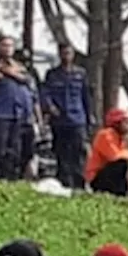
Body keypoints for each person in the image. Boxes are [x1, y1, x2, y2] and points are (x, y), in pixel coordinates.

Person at [0, 37, 32, 180]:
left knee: (14, 149)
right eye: (4, 45)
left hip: (17, 113)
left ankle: (11, 177)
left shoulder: (19, 66)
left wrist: (8, 71)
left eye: (10, 45)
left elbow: (26, 79)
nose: (7, 48)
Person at [42, 43, 92, 188]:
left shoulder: (80, 73)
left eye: (69, 53)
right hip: (59, 120)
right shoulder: (52, 74)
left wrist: (89, 118)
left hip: (77, 119)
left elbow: (86, 97)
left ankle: (79, 183)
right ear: (59, 54)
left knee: (78, 152)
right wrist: (50, 107)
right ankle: (64, 181)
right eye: (64, 53)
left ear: (73, 55)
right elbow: (45, 93)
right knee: (61, 151)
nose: (66, 56)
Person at [86, 108, 128, 196]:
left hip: (107, 173)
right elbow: (114, 156)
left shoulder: (120, 138)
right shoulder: (106, 134)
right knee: (121, 163)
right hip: (97, 177)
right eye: (126, 122)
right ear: (117, 123)